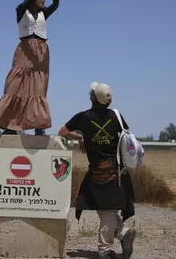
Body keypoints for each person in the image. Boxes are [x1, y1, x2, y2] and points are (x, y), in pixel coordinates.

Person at [57, 82, 136, 259]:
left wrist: (82, 136)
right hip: (117, 170)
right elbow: (126, 135)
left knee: (107, 210)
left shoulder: (82, 118)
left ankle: (105, 252)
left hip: (98, 172)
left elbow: (62, 132)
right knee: (105, 208)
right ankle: (123, 233)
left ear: (92, 98)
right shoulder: (116, 115)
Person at [0, 0, 60, 135]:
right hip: (25, 49)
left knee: (38, 87)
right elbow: (28, 1)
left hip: (42, 52)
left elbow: (55, 5)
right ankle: (10, 125)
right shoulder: (21, 10)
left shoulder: (44, 13)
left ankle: (39, 125)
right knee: (16, 84)